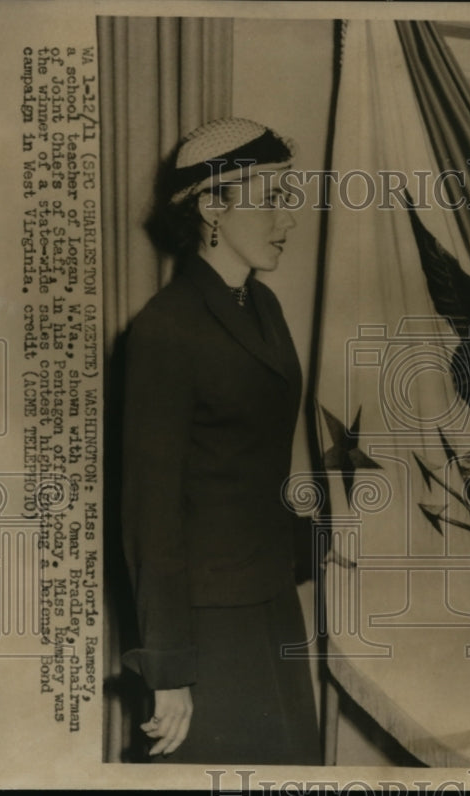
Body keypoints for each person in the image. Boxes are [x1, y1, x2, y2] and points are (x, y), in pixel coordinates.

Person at [120, 117, 321, 764]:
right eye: (270, 201)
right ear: (212, 206)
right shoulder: (165, 328)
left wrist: (309, 548)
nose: (286, 220)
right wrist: (170, 668)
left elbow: (254, 457)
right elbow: (150, 512)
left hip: (270, 600)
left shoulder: (263, 308)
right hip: (208, 620)